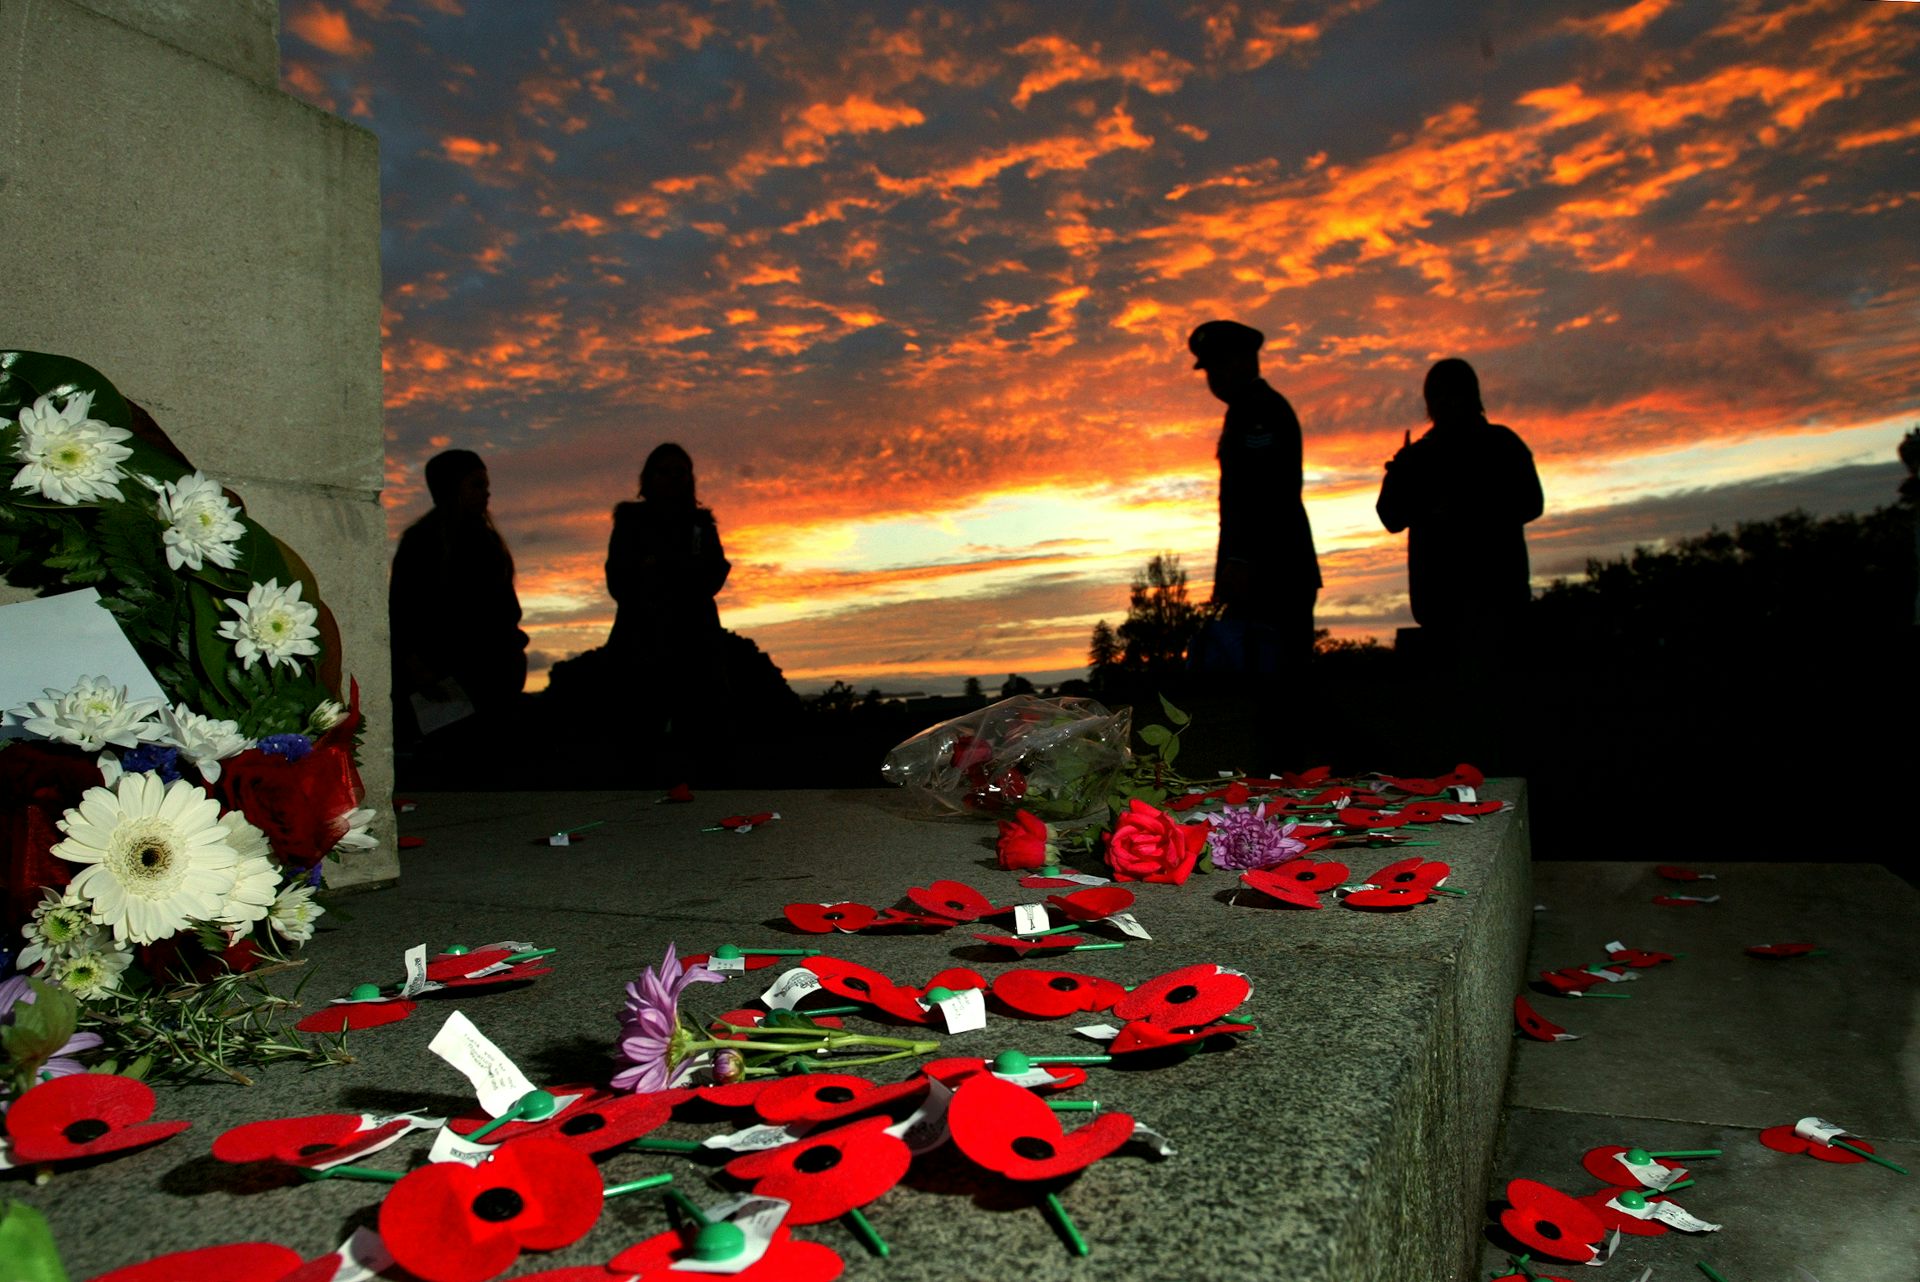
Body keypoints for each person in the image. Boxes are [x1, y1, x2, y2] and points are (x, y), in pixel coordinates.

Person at [1187, 320, 1322, 673]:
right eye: (1209, 368)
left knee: (1280, 680)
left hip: (1275, 572)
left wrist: (1241, 561)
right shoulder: (1245, 411)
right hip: (1264, 572)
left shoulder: (1260, 410)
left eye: (1219, 365)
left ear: (1244, 360)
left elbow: (1268, 493)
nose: (1213, 377)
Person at [1375, 358, 1543, 631]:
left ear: (1470, 396)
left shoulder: (1502, 444)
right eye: (1436, 396)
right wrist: (1399, 475)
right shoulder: (1419, 456)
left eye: (1451, 394)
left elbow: (1532, 503)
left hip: (1499, 603)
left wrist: (1467, 510)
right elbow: (1391, 517)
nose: (1443, 403)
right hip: (1441, 609)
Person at [388, 449, 529, 743]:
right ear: (451, 487)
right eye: (477, 484)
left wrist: (514, 656)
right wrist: (417, 668)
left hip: (493, 679)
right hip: (443, 683)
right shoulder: (423, 540)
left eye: (486, 485)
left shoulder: (488, 541)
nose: (486, 493)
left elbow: (506, 610)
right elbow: (401, 612)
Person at [604, 444, 731, 769]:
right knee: (637, 743)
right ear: (648, 478)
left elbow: (714, 572)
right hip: (640, 645)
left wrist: (667, 568)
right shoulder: (630, 523)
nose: (673, 478)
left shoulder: (702, 525)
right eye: (665, 471)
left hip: (697, 646)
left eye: (680, 472)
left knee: (700, 744)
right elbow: (619, 580)